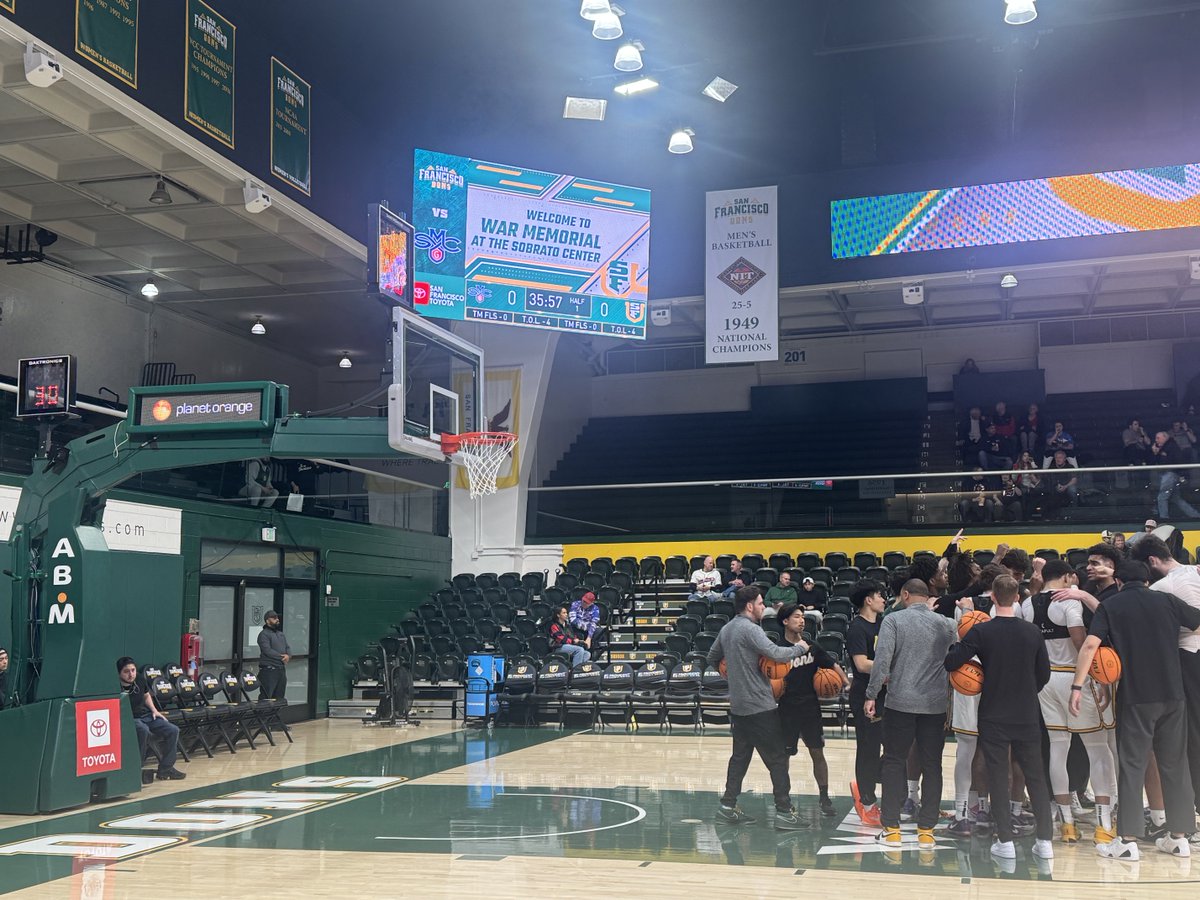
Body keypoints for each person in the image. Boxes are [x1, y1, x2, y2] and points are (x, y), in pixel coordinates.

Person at [1071, 560, 1200, 860]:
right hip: (1173, 694)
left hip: (1136, 696)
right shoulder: (1166, 599)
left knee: (1132, 766)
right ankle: (1179, 837)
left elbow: (1090, 646)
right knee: (1175, 763)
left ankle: (1127, 841)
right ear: (1146, 581)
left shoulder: (1112, 606)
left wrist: (1077, 687)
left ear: (1118, 582)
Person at [946, 575, 1054, 862]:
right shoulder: (1032, 632)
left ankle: (1004, 841)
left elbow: (952, 661)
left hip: (994, 713)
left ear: (993, 597)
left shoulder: (982, 632)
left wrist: (966, 623)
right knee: (1036, 776)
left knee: (997, 776)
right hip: (1027, 713)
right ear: (1017, 597)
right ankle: (1045, 842)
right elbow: (1043, 674)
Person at [1023, 560, 1116, 849]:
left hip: (1045, 682)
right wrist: (1097, 679)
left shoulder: (1027, 604)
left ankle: (1066, 824)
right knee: (1098, 749)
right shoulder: (1068, 602)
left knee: (1057, 748)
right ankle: (1104, 826)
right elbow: (1080, 643)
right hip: (1074, 679)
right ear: (1066, 577)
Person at [707, 585, 815, 830]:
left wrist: (733, 676)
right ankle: (785, 812)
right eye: (759, 603)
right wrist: (801, 648)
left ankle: (727, 807)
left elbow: (712, 657)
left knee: (740, 758)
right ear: (749, 606)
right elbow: (776, 654)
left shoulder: (726, 629)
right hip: (760, 706)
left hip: (739, 706)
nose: (762, 607)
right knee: (777, 759)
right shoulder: (750, 629)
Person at [865, 579, 957, 849]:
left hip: (900, 703)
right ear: (927, 596)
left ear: (905, 595)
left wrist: (871, 694)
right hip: (935, 704)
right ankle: (927, 830)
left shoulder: (893, 621)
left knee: (894, 762)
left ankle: (892, 829)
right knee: (932, 765)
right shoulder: (947, 623)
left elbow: (882, 660)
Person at [1130, 535, 1200, 832]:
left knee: (1191, 736)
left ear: (1152, 562)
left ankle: (1192, 805)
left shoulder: (1161, 587)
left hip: (1188, 658)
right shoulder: (1194, 571)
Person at [777, 602, 847, 818]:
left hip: (810, 707)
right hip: (786, 708)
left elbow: (832, 664)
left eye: (803, 617)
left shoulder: (812, 646)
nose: (801, 620)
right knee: (784, 757)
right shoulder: (777, 649)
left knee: (817, 752)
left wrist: (845, 682)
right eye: (797, 616)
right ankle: (784, 799)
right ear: (785, 621)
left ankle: (824, 797)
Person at [847, 580, 886, 827]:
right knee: (869, 748)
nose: (884, 599)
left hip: (885, 693)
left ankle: (868, 784)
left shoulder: (884, 624)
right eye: (879, 595)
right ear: (868, 600)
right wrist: (890, 668)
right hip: (864, 695)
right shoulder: (856, 628)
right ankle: (867, 800)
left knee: (894, 745)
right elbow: (862, 664)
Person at [117, 656, 186, 780]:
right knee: (142, 730)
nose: (131, 674)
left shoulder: (139, 678)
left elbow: (146, 695)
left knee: (173, 730)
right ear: (119, 673)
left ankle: (166, 769)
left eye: (133, 670)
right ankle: (137, 768)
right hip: (129, 718)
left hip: (145, 715)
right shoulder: (114, 684)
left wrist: (154, 710)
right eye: (126, 672)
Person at [1150, 430, 1200, 521]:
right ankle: (1195, 516)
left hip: (1170, 474)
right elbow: (1156, 462)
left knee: (1162, 497)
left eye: (1158, 438)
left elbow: (1174, 461)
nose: (1156, 440)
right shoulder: (1164, 447)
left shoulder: (1171, 446)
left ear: (1165, 437)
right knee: (1176, 499)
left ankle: (1164, 519)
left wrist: (1160, 454)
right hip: (1168, 474)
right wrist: (1156, 453)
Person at [256, 610, 290, 701]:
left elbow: (287, 647)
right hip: (269, 670)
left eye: (277, 618)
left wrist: (288, 656)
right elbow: (267, 650)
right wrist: (282, 657)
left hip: (281, 669)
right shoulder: (263, 634)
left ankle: (275, 715)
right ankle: (263, 715)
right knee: (266, 696)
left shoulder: (281, 634)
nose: (277, 619)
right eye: (274, 618)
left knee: (280, 697)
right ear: (267, 621)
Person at [569, 591, 605, 659]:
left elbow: (594, 623)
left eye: (586, 602)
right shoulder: (575, 604)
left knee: (600, 631)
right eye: (583, 601)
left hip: (589, 629)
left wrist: (589, 637)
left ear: (591, 603)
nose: (584, 603)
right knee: (571, 628)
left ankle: (594, 649)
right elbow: (573, 619)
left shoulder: (595, 608)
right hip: (577, 628)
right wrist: (585, 626)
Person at [1044, 449, 1079, 518]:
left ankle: (1075, 509)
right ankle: (1054, 514)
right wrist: (1057, 486)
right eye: (1056, 458)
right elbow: (1049, 480)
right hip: (1057, 486)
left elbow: (1074, 480)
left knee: (1072, 490)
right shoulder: (1052, 467)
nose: (1058, 459)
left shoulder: (1070, 467)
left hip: (1068, 485)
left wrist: (1065, 486)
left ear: (1065, 459)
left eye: (1060, 458)